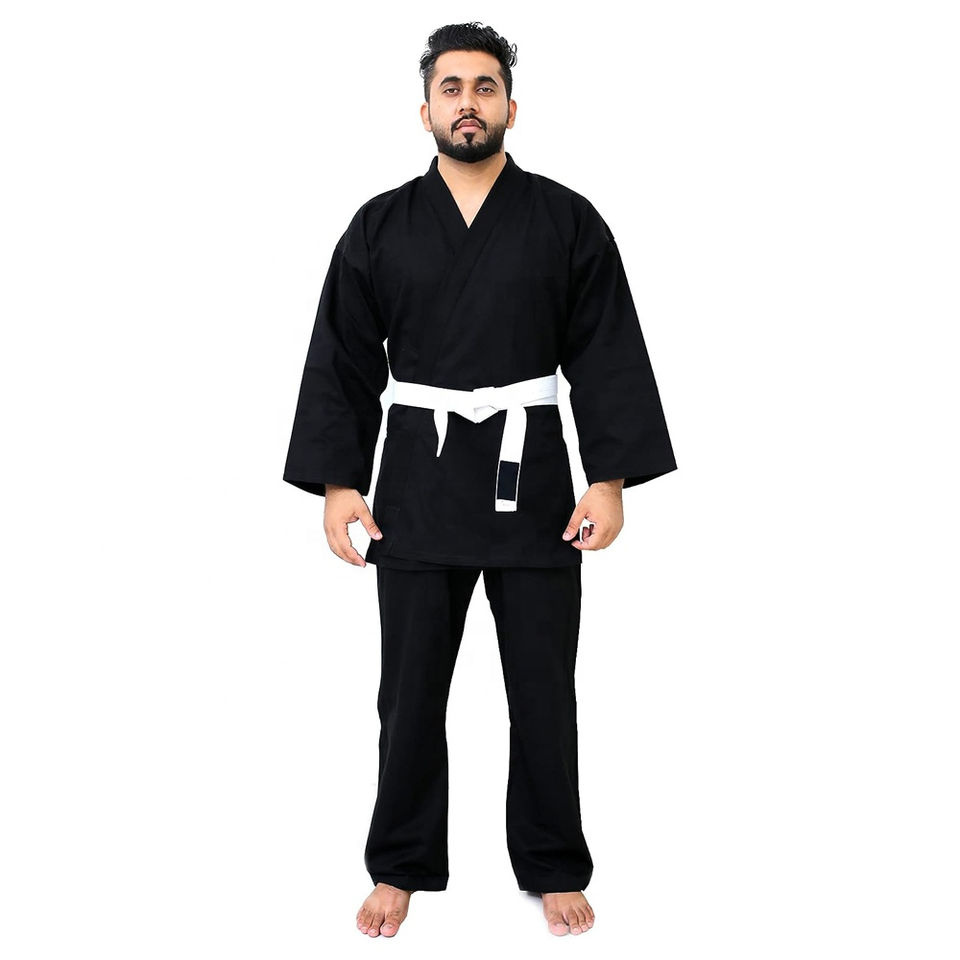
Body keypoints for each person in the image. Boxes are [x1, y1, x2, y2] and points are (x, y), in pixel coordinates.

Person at [282, 22, 677, 938]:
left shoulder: (567, 220)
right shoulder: (379, 225)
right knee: (410, 690)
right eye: (452, 88)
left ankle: (552, 861)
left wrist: (609, 480)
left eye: (485, 87)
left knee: (543, 689)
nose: (469, 103)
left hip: (533, 486)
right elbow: (343, 357)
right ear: (424, 110)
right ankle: (400, 864)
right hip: (416, 488)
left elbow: (606, 349)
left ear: (511, 107)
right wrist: (339, 483)